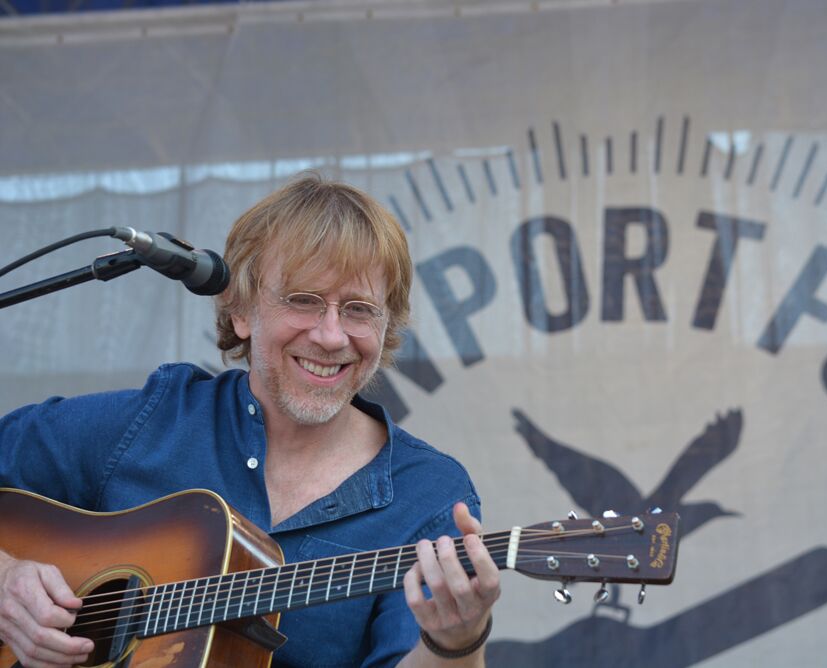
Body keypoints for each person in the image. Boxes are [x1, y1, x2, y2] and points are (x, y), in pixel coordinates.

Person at [0, 174, 500, 667]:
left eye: (358, 309)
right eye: (302, 300)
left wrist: (453, 642)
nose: (330, 336)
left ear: (386, 325)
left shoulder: (429, 497)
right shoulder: (152, 421)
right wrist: (6, 581)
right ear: (241, 310)